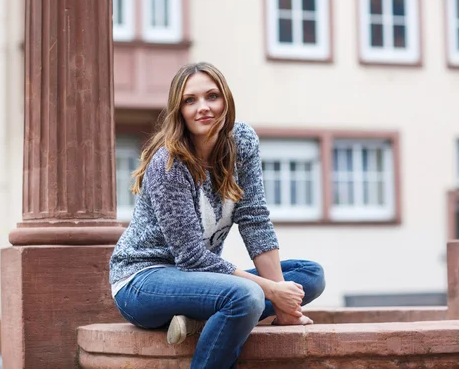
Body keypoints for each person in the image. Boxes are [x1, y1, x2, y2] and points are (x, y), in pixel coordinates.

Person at [109, 62, 325, 368]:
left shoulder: (242, 141)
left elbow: (254, 218)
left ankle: (200, 318)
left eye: (212, 96)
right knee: (246, 297)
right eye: (190, 100)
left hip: (201, 279)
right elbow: (192, 258)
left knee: (308, 276)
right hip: (143, 281)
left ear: (226, 100)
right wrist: (273, 292)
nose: (203, 108)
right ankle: (218, 310)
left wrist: (284, 301)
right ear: (178, 110)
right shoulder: (169, 164)